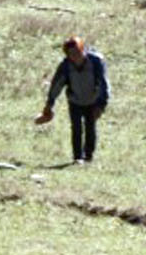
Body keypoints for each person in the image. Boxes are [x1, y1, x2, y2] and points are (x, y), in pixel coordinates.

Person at [37, 37, 109, 165]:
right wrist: (49, 105)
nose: (76, 57)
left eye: (78, 52)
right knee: (76, 128)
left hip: (92, 100)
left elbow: (104, 84)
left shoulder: (96, 61)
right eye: (72, 54)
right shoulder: (66, 66)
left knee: (90, 127)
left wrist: (101, 105)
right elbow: (56, 85)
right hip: (75, 100)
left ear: (83, 50)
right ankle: (77, 157)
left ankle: (88, 156)